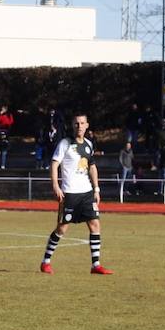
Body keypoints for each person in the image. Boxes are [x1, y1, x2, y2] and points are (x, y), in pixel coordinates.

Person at [40, 114, 113, 275]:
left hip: (86, 193)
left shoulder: (88, 144)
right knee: (62, 229)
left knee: (95, 225)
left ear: (87, 125)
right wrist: (55, 185)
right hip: (70, 194)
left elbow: (92, 167)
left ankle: (96, 265)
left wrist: (96, 189)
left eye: (82, 123)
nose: (79, 126)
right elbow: (54, 164)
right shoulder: (65, 143)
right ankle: (46, 261)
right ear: (72, 126)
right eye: (76, 123)